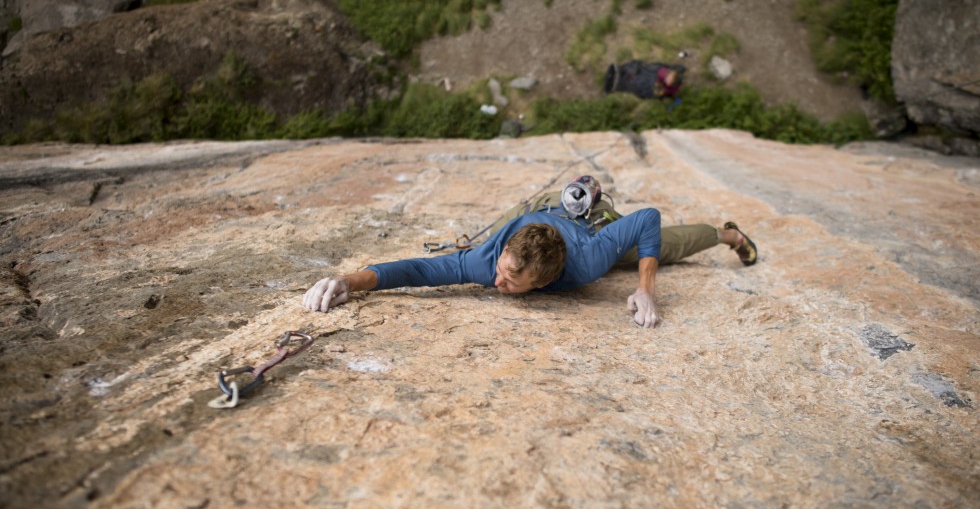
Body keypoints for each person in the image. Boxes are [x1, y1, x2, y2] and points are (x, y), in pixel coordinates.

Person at [303, 182, 757, 329]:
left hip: (589, 226)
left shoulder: (590, 262)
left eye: (510, 283)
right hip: (536, 216)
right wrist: (349, 280)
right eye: (501, 274)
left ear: (542, 283)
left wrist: (645, 288)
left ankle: (727, 235)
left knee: (665, 247)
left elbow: (650, 217)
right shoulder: (488, 263)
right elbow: (420, 269)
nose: (495, 286)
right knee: (482, 243)